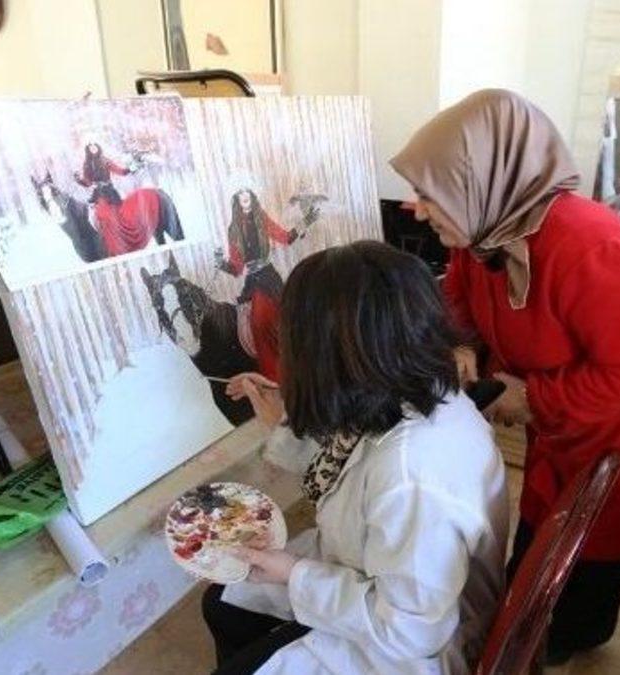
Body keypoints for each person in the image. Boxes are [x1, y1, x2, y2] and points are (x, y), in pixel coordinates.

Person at [391, 89, 620, 665]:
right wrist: (462, 346)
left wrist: (532, 397)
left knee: (595, 536)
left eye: (430, 194)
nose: (418, 208)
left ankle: (561, 637)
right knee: (544, 522)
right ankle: (531, 623)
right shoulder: (484, 228)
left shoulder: (590, 244)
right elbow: (460, 300)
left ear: (481, 181)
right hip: (567, 406)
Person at [202, 241, 508, 674]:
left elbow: (410, 631)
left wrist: (293, 574)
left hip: (409, 647)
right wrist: (292, 412)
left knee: (237, 617)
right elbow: (351, 465)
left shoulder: (411, 470)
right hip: (381, 579)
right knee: (222, 602)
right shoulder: (419, 391)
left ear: (330, 356)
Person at [215, 189, 305, 381]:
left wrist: (304, 223)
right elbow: (237, 268)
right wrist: (220, 263)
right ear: (237, 201)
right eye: (241, 197)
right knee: (255, 324)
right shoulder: (233, 229)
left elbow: (285, 238)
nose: (245, 200)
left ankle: (293, 365)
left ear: (253, 198)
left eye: (248, 196)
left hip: (269, 278)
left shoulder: (262, 219)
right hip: (252, 282)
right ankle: (272, 376)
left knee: (281, 318)